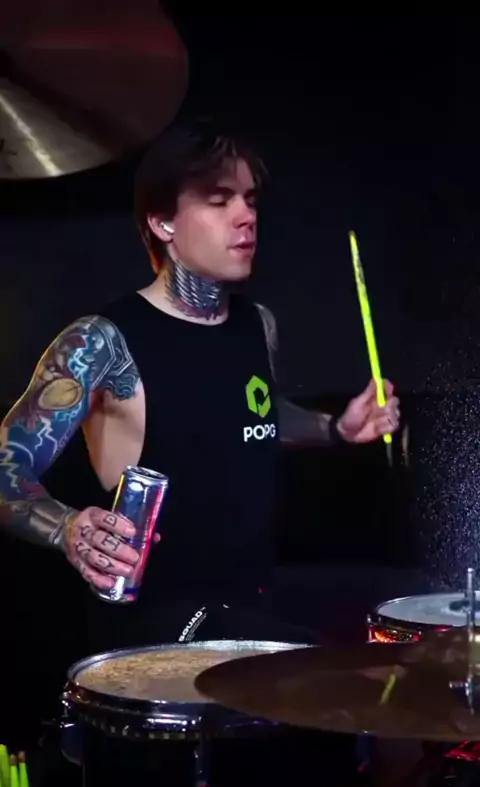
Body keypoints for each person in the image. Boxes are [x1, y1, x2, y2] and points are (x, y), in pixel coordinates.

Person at [0, 117, 400, 659]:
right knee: (315, 661)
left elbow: (248, 415)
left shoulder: (257, 324)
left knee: (408, 602)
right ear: (162, 221)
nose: (246, 217)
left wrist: (335, 428)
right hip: (158, 621)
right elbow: (6, 466)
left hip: (253, 594)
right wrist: (67, 528)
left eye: (250, 200)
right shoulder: (102, 342)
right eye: (219, 201)